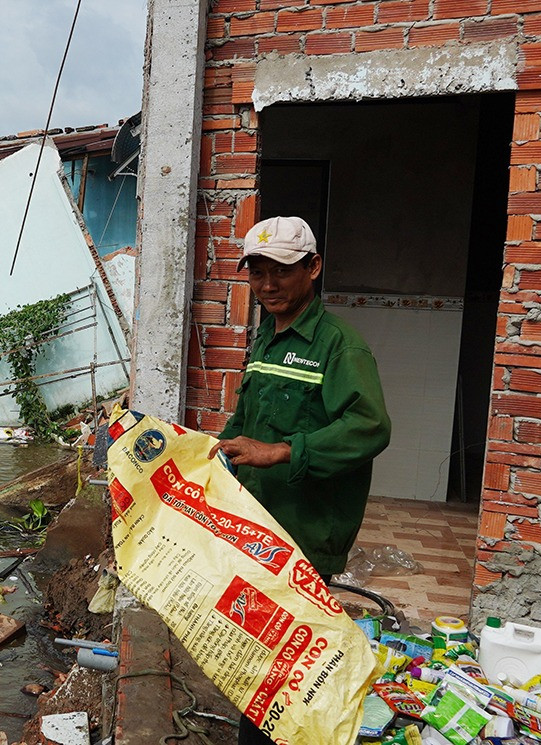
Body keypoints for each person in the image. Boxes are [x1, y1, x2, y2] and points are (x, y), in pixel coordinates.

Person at [205, 215, 391, 745]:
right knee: (258, 663)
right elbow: (248, 421)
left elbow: (369, 427)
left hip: (304, 534)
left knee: (286, 669)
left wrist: (283, 451)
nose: (267, 286)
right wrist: (212, 455)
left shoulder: (340, 347)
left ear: (313, 268)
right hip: (260, 527)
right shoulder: (266, 337)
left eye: (281, 272)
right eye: (256, 272)